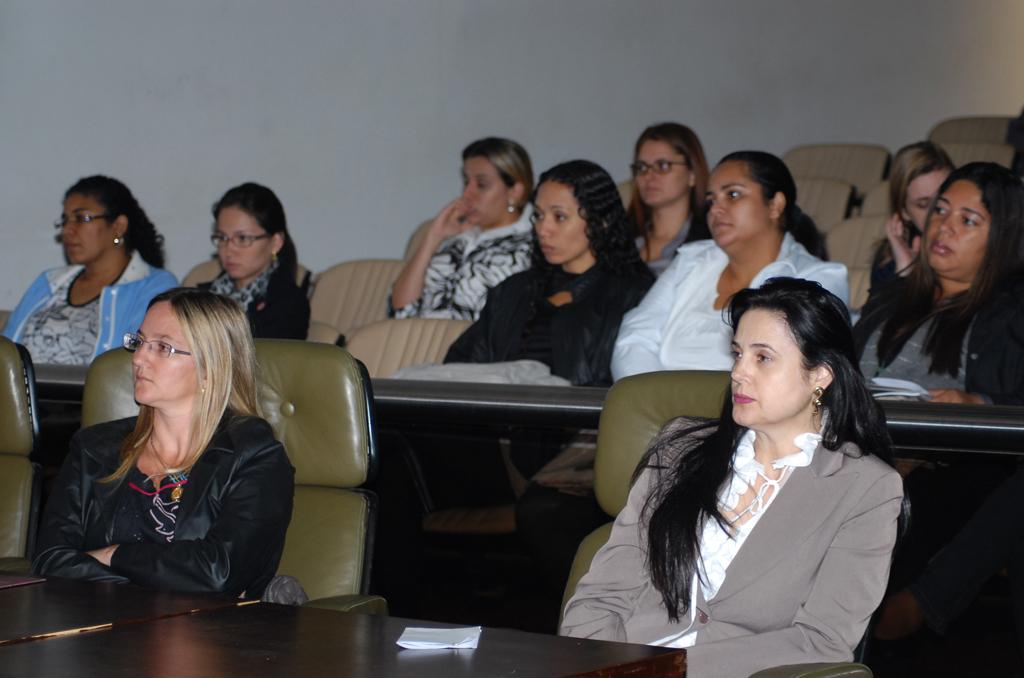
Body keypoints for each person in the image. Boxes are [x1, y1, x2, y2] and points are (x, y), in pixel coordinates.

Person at [562, 278, 903, 677]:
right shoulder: (679, 449)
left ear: (820, 376)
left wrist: (665, 671)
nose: (739, 372)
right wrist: (605, 669)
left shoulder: (865, 487)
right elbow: (601, 597)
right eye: (738, 354)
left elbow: (822, 640)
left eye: (763, 358)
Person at [33, 288, 295, 598]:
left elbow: (218, 573)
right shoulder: (93, 448)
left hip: (210, 628)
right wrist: (156, 585)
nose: (138, 358)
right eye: (140, 342)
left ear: (210, 369)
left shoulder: (255, 457)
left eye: (162, 347)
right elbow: (51, 561)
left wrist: (114, 554)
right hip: (97, 621)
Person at [612, 151, 847, 380]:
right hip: (659, 403)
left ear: (775, 205)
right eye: (711, 200)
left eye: (733, 195)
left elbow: (792, 374)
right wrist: (659, 399)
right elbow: (633, 339)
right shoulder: (691, 261)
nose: (716, 209)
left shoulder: (816, 280)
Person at [445, 159, 655, 387]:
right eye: (538, 216)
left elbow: (629, 385)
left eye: (559, 217)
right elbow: (459, 369)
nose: (543, 229)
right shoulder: (514, 290)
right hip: (501, 407)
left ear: (601, 222)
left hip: (576, 409)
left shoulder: (633, 296)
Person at [855, 161, 1024, 405]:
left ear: (1002, 237)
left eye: (968, 220)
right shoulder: (890, 295)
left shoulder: (1013, 314)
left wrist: (980, 404)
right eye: (940, 210)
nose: (944, 227)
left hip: (941, 430)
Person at [3, 176, 176, 364]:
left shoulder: (155, 286)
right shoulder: (50, 281)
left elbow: (139, 362)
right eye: (65, 221)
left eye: (81, 218)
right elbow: (6, 350)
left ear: (118, 226)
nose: (67, 230)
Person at [390, 137, 534, 320]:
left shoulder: (533, 246)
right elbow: (400, 310)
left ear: (515, 191)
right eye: (466, 182)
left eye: (481, 185)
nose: (467, 194)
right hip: (412, 335)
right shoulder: (457, 237)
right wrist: (434, 238)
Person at [201, 182, 310, 339]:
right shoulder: (206, 295)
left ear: (275, 242)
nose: (228, 249)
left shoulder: (288, 305)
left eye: (242, 238)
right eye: (222, 237)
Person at [627, 123, 711, 275]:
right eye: (642, 167)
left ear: (692, 174)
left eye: (663, 166)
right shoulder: (620, 239)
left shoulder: (711, 243)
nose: (649, 176)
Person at [869, 142, 954, 286]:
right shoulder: (890, 259)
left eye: (943, 201)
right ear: (904, 211)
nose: (937, 213)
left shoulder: (978, 247)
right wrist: (905, 273)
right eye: (923, 205)